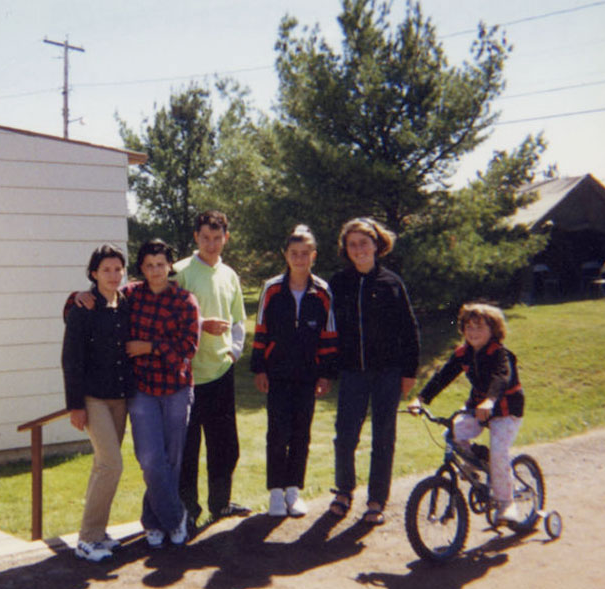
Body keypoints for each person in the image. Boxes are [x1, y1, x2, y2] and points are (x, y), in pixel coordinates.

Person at [328, 217, 420, 525]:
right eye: (352, 244)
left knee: (383, 437)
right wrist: (328, 370)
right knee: (345, 436)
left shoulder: (391, 283)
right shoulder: (338, 284)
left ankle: (377, 500)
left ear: (376, 245)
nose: (358, 249)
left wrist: (409, 372)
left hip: (388, 373)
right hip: (353, 372)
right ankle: (343, 491)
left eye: (364, 243)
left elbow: (409, 330)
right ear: (346, 249)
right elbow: (329, 331)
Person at [407, 303, 525, 524]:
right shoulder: (463, 354)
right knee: (453, 434)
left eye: (480, 328)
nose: (473, 332)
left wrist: (490, 401)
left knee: (499, 452)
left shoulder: (500, 353)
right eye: (469, 327)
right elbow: (443, 376)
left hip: (506, 409)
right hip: (477, 407)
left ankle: (506, 503)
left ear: (494, 330)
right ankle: (479, 463)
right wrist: (420, 399)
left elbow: (501, 378)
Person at [251, 225, 338, 517]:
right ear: (285, 255)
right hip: (277, 372)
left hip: (308, 373)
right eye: (294, 253)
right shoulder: (272, 288)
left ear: (313, 255)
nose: (299, 259)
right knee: (277, 432)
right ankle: (275, 492)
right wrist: (260, 367)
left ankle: (293, 491)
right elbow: (261, 327)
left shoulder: (323, 291)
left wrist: (325, 373)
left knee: (302, 432)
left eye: (305, 254)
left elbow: (328, 333)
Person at [172, 210, 249, 525]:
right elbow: (169, 319)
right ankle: (188, 511)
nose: (212, 244)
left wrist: (234, 351)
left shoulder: (230, 274)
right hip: (186, 376)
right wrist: (202, 325)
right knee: (187, 450)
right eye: (206, 237)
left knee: (225, 446)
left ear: (226, 238)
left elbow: (239, 319)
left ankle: (221, 504)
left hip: (220, 373)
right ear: (196, 237)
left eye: (218, 238)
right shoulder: (180, 272)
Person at [61, 244, 137, 562]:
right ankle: (87, 540)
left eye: (118, 269)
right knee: (111, 464)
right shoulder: (83, 307)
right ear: (93, 273)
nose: (113, 275)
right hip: (92, 398)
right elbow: (70, 358)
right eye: (105, 269)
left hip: (120, 397)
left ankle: (98, 532)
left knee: (102, 466)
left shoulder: (126, 304)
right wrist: (75, 405)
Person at [124, 239, 201, 548]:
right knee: (150, 459)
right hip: (142, 389)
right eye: (149, 266)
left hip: (177, 388)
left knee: (172, 460)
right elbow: (93, 298)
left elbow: (188, 348)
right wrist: (82, 296)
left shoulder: (185, 300)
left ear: (170, 266)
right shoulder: (129, 296)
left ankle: (153, 521)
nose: (155, 271)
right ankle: (175, 517)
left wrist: (149, 347)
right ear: (141, 269)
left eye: (160, 265)